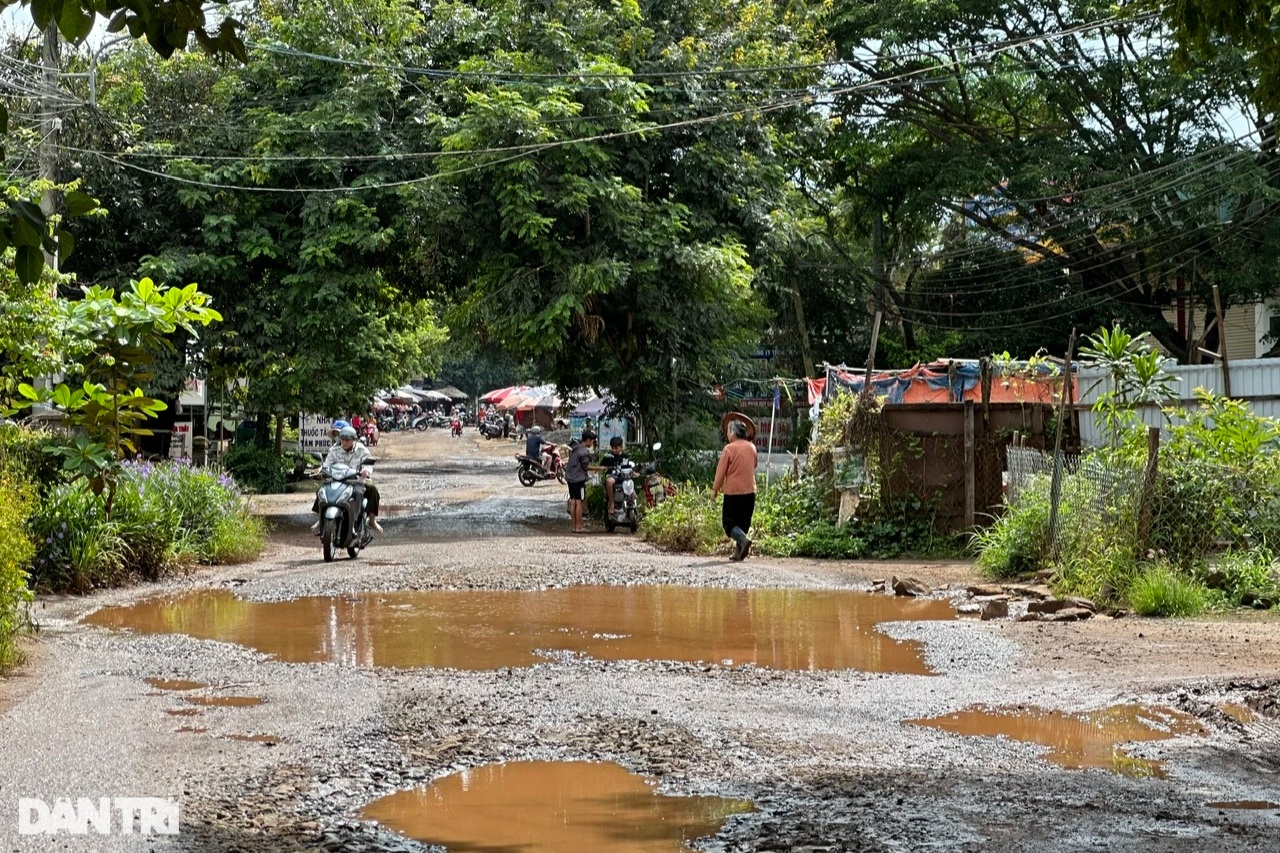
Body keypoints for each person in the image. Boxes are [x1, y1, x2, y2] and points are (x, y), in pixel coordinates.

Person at [311, 426, 383, 533]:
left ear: (354, 439)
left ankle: (369, 521)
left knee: (369, 490)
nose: (344, 442)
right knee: (322, 490)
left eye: (347, 440)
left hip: (356, 480)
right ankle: (322, 518)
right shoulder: (334, 450)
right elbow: (327, 464)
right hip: (337, 480)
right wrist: (322, 470)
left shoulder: (362, 450)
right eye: (343, 440)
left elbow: (368, 464)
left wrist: (366, 471)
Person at [712, 419, 758, 561]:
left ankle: (743, 542)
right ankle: (738, 552)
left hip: (733, 493)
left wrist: (715, 490)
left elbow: (721, 472)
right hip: (750, 491)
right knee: (743, 523)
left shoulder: (729, 449)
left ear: (732, 433)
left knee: (729, 523)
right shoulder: (752, 447)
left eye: (728, 431)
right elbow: (754, 465)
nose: (727, 434)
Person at [565, 428, 596, 533]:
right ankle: (579, 526)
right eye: (592, 441)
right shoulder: (584, 451)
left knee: (573, 501)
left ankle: (574, 527)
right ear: (588, 440)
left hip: (570, 478)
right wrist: (599, 468)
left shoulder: (575, 448)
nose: (592, 444)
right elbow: (586, 467)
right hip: (578, 479)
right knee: (579, 502)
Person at [599, 436, 630, 517]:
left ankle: (632, 502)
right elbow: (601, 466)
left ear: (621, 447)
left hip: (623, 476)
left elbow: (629, 467)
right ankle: (612, 503)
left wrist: (634, 472)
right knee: (609, 481)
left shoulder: (625, 456)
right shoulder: (607, 456)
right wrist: (603, 468)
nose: (614, 450)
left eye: (616, 448)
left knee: (630, 482)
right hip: (612, 476)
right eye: (613, 448)